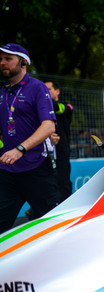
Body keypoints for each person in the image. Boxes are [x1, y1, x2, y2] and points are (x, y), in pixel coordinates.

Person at [0, 43, 58, 233]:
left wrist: (20, 149)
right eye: (1, 59)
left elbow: (49, 126)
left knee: (50, 224)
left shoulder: (37, 87)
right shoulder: (2, 92)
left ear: (23, 62)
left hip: (36, 167)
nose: (2, 63)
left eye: (8, 59)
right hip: (7, 169)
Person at [45, 80, 74, 202]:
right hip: (45, 153)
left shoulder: (66, 106)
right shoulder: (41, 109)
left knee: (63, 182)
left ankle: (64, 209)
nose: (45, 92)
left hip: (62, 151)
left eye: (48, 89)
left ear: (57, 91)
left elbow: (59, 108)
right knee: (46, 184)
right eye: (43, 90)